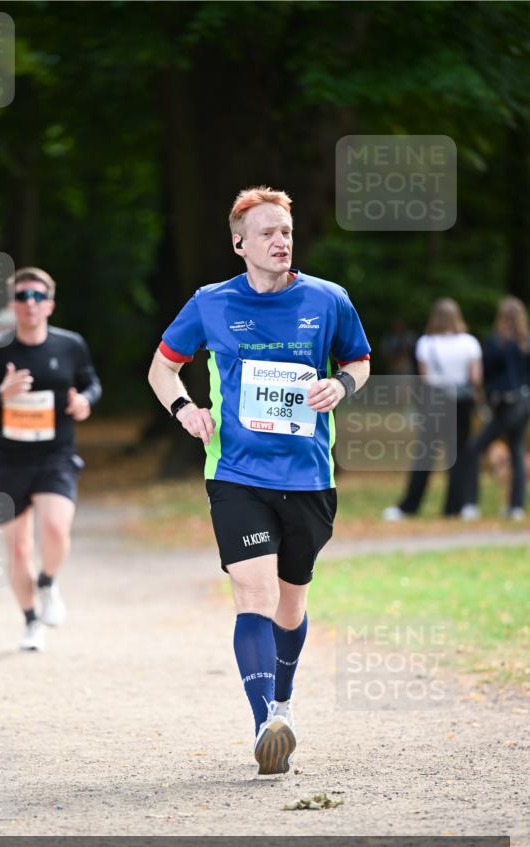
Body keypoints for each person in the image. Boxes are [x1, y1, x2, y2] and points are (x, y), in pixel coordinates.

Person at [148, 186, 371, 775]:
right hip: (235, 473)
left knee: (290, 607)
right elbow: (163, 366)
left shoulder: (328, 300)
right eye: (268, 232)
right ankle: (263, 724)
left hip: (308, 477)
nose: (281, 241)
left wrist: (341, 387)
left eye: (287, 232)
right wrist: (185, 410)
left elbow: (359, 361)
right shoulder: (211, 303)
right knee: (255, 594)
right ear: (239, 242)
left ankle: (284, 703)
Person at [0, 267, 102, 651]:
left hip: (55, 455)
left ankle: (48, 581)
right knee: (18, 547)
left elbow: (91, 383)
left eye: (38, 297)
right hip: (7, 460)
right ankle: (30, 620)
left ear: (50, 304)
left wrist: (84, 400)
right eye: (22, 297)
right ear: (12, 304)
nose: (30, 304)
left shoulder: (70, 345)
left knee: (55, 529)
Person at [382, 298, 482, 521]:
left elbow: (425, 378)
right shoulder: (470, 342)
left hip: (436, 401)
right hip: (462, 402)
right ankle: (458, 506)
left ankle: (409, 506)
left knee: (425, 454)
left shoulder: (426, 342)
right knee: (460, 453)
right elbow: (475, 378)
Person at [462, 296, 530, 521]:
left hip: (504, 405)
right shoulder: (525, 342)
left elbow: (487, 373)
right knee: (517, 450)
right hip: (523, 403)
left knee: (474, 448)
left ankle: (471, 504)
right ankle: (516, 506)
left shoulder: (495, 341)